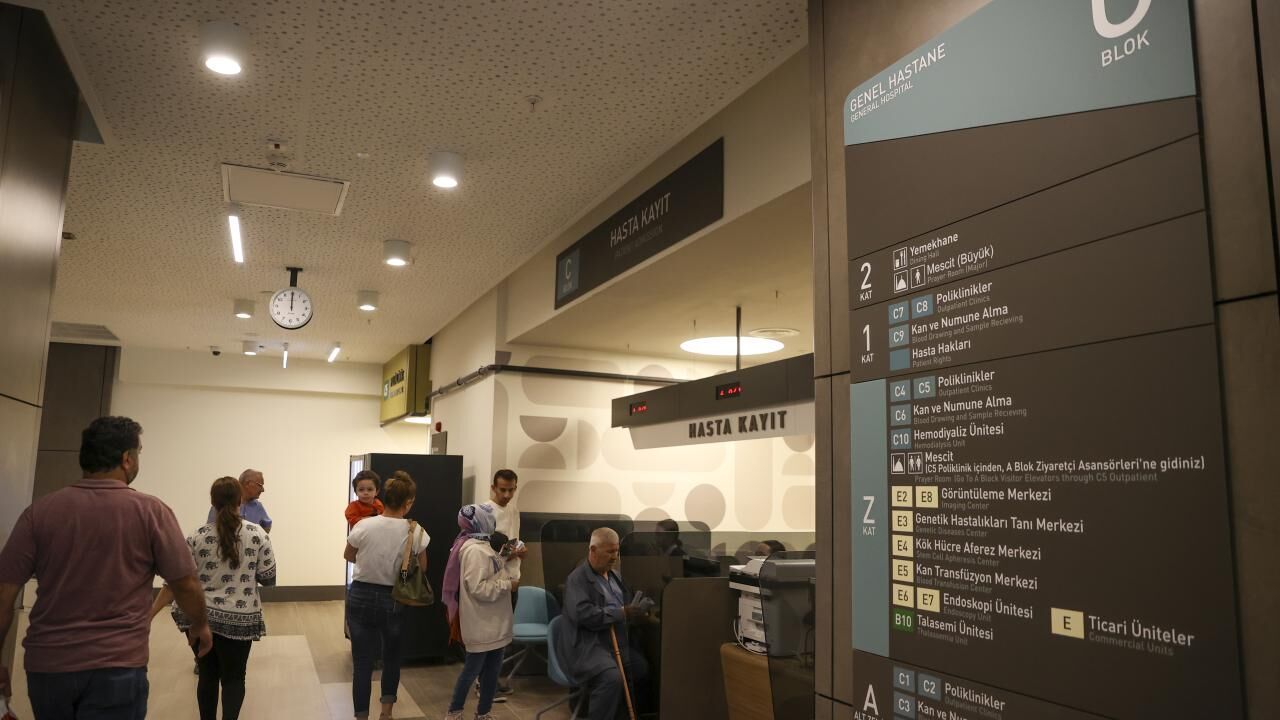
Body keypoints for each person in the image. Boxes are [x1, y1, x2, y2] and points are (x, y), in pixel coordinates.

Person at [0, 416, 212, 719]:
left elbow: (3, 593)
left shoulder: (39, 512)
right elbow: (185, 584)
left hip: (48, 667)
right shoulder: (151, 512)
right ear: (127, 459)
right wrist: (200, 623)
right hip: (117, 665)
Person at [151, 477, 276, 720]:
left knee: (207, 675)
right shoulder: (257, 534)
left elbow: (177, 581)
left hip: (198, 618)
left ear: (212, 502)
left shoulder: (196, 536)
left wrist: (149, 615)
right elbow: (268, 578)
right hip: (239, 619)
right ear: (240, 501)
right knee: (234, 678)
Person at [343, 471, 429, 720]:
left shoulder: (364, 525)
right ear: (408, 502)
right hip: (394, 598)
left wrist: (370, 561)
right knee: (391, 658)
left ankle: (361, 716)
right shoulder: (416, 530)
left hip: (360, 594)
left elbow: (348, 555)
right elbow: (422, 568)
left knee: (362, 662)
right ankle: (386, 714)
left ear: (383, 496)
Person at [554, 527, 650, 720]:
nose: (614, 557)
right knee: (611, 677)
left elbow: (628, 603)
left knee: (640, 668)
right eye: (609, 552)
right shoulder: (577, 579)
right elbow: (583, 614)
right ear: (593, 550)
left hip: (613, 642)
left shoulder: (615, 577)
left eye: (617, 551)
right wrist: (621, 612)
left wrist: (639, 611)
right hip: (587, 645)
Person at [444, 504, 520, 720]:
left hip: (493, 622)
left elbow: (489, 571)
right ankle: (454, 712)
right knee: (472, 671)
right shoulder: (475, 550)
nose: (493, 521)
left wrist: (504, 557)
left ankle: (483, 713)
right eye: (489, 517)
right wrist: (508, 585)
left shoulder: (481, 545)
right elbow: (478, 588)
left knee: (492, 672)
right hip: (482, 623)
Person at [486, 469, 524, 700]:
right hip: (494, 580)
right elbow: (484, 551)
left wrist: (520, 550)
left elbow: (515, 539)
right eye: (503, 490)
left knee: (503, 634)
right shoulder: (485, 511)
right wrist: (510, 553)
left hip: (513, 577)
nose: (507, 495)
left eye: (511, 490)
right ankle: (485, 683)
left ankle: (492, 680)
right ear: (493, 488)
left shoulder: (513, 510)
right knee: (492, 634)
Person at [208, 469, 271, 533]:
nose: (262, 490)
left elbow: (267, 527)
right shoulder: (222, 504)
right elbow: (210, 530)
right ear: (248, 483)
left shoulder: (258, 506)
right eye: (260, 485)